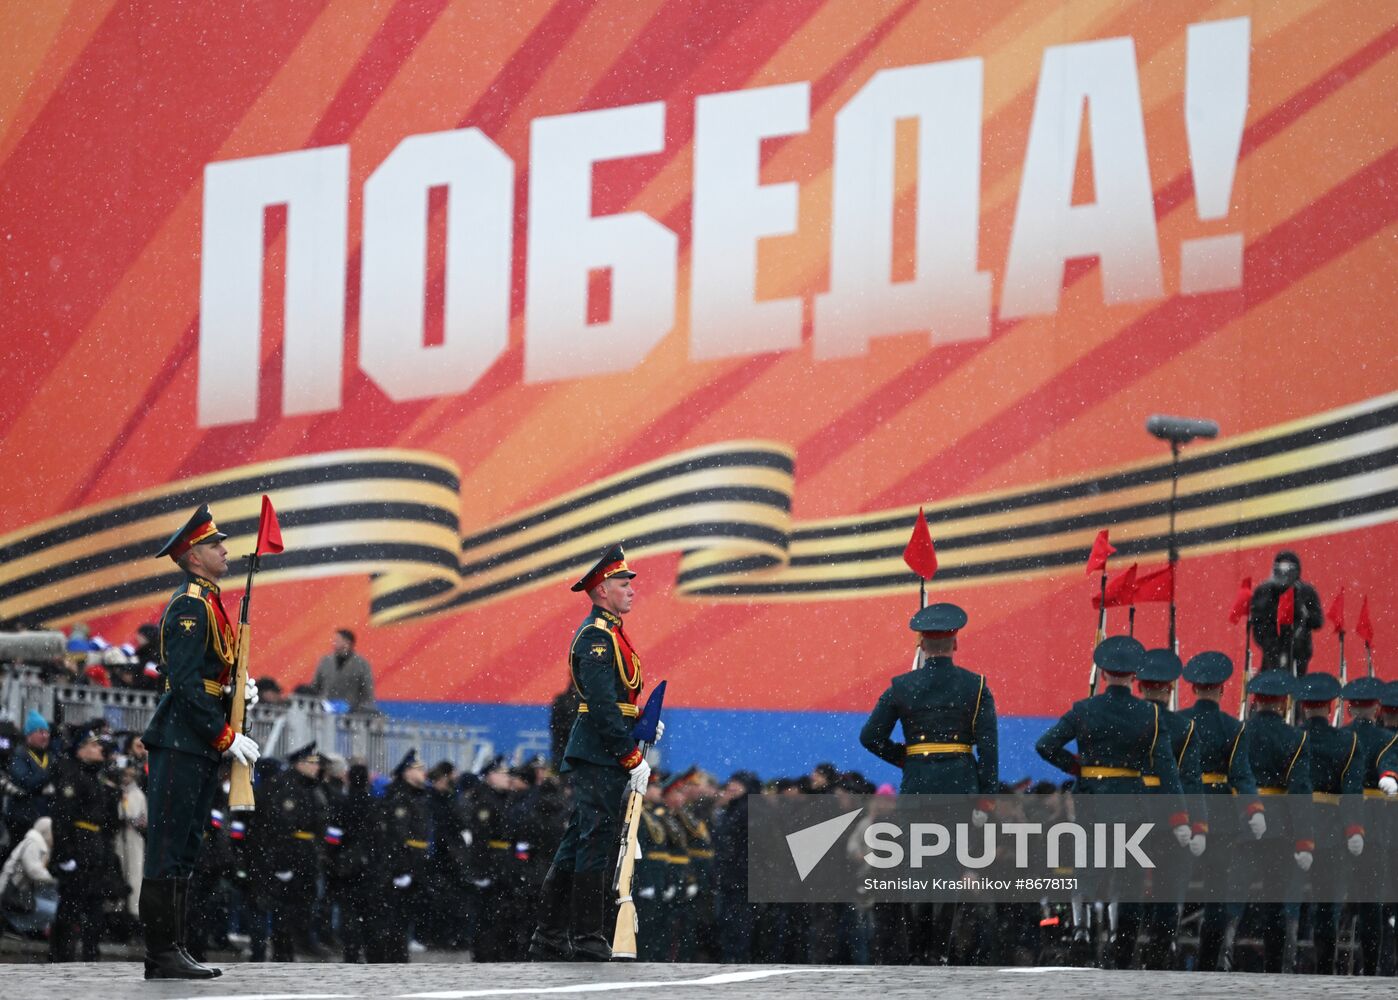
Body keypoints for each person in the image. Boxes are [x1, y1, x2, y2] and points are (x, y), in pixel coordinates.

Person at [141, 504, 261, 979]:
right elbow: (187, 685)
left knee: (186, 846)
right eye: (215, 545)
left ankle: (174, 949)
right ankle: (160, 954)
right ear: (193, 555)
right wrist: (225, 735)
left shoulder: (208, 601)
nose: (225, 550)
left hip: (197, 742)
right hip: (181, 740)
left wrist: (236, 689)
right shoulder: (190, 605)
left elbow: (208, 677)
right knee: (168, 847)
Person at [528, 544, 661, 962]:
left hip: (603, 750)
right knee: (594, 843)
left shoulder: (611, 633)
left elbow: (616, 701)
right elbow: (601, 706)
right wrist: (630, 757)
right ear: (602, 589)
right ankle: (587, 936)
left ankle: (549, 936)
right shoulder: (597, 637)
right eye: (623, 583)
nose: (631, 590)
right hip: (601, 754)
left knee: (577, 843)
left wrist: (640, 721)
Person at [1035, 636, 1191, 969]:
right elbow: (1166, 769)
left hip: (1091, 800)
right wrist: (1179, 815)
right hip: (1132, 805)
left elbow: (1045, 745)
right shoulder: (1149, 714)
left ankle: (1081, 933)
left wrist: (1078, 767)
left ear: (1102, 673)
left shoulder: (1084, 709)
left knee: (1086, 870)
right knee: (1128, 876)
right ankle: (1122, 940)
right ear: (1135, 675)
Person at [1177, 651, 1266, 971]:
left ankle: (1164, 950)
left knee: (1173, 884)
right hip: (1221, 815)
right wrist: (1254, 809)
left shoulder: (1178, 722)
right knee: (1216, 891)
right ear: (1222, 689)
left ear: (1192, 688)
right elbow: (1241, 775)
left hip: (1183, 808)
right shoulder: (1232, 727)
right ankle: (1208, 956)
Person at [1225, 669, 1314, 973]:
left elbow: (1234, 778)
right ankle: (1278, 965)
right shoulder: (1296, 737)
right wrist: (1304, 839)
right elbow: (1299, 793)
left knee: (1233, 897)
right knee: (1275, 902)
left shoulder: (1239, 732)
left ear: (1255, 701)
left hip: (1242, 823)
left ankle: (1222, 957)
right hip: (1279, 828)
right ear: (1284, 704)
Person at [1134, 649, 1205, 970]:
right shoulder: (1182, 727)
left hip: (1130, 813)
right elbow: (1191, 782)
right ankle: (1160, 950)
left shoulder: (1125, 719)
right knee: (1168, 888)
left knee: (1128, 887)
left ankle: (1122, 948)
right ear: (1171, 688)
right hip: (1170, 817)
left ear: (1139, 686)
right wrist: (1197, 824)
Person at [1294, 673, 1363, 974]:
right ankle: (1324, 965)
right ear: (1332, 707)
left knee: (1287, 899)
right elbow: (1351, 792)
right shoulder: (1347, 742)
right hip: (1333, 829)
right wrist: (1354, 829)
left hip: (1295, 825)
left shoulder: (1294, 736)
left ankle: (1285, 961)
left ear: (1303, 706)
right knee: (1328, 905)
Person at [47, 722, 121, 962]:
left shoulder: (99, 776)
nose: (100, 749)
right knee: (70, 906)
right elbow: (63, 818)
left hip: (96, 848)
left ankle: (91, 954)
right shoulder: (71, 773)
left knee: (95, 908)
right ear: (81, 748)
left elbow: (110, 821)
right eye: (94, 745)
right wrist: (65, 854)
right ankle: (61, 956)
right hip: (79, 844)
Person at [1342, 675, 1396, 975]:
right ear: (1377, 708)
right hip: (1379, 824)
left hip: (1344, 823)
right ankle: (1373, 963)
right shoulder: (1387, 740)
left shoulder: (1342, 737)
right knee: (1373, 901)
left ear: (1349, 709)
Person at [1248, 550, 1324, 675]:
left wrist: (1303, 615)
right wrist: (1270, 644)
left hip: (1299, 651)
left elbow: (1317, 621)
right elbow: (1257, 623)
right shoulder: (1264, 591)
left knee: (1296, 687)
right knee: (1272, 686)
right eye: (1281, 569)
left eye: (1289, 569)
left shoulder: (1306, 591)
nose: (1285, 574)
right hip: (1271, 651)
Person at [0, 816, 58, 937]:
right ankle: (16, 926)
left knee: (54, 901)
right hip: (12, 894)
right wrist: (53, 880)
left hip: (19, 892)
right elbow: (33, 870)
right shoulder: (33, 843)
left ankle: (23, 928)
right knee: (55, 910)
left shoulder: (38, 844)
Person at [4, 710, 54, 846]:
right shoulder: (19, 755)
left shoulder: (50, 757)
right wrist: (50, 774)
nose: (45, 736)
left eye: (47, 732)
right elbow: (27, 782)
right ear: (29, 735)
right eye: (40, 732)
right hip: (22, 820)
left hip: (44, 818)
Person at [309, 629, 377, 713]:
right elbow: (315, 685)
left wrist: (366, 711)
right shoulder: (325, 661)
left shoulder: (362, 664)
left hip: (350, 713)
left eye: (337, 640)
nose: (333, 643)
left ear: (347, 643)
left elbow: (367, 692)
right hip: (325, 711)